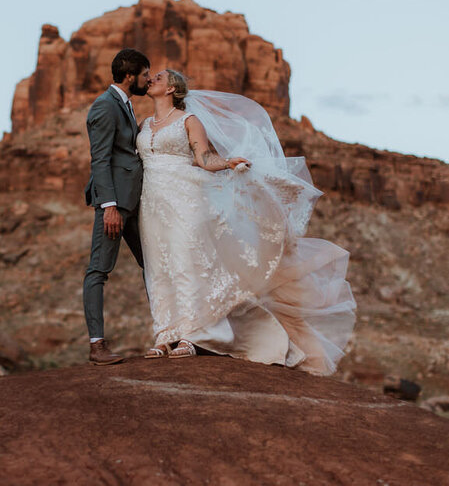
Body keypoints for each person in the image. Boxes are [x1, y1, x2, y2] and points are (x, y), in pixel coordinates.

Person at [137, 69, 356, 374]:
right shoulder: (144, 125)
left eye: (158, 77)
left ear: (172, 87)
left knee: (188, 263)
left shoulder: (189, 120)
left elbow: (203, 158)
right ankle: (164, 334)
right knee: (159, 267)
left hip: (187, 199)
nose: (152, 80)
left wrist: (227, 162)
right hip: (152, 204)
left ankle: (191, 335)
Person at [83, 48, 151, 365]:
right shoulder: (104, 107)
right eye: (145, 74)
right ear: (130, 76)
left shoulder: (124, 104)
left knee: (152, 264)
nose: (148, 80)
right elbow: (100, 159)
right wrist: (109, 206)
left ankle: (169, 332)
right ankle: (97, 346)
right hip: (114, 206)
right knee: (99, 270)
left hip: (134, 202)